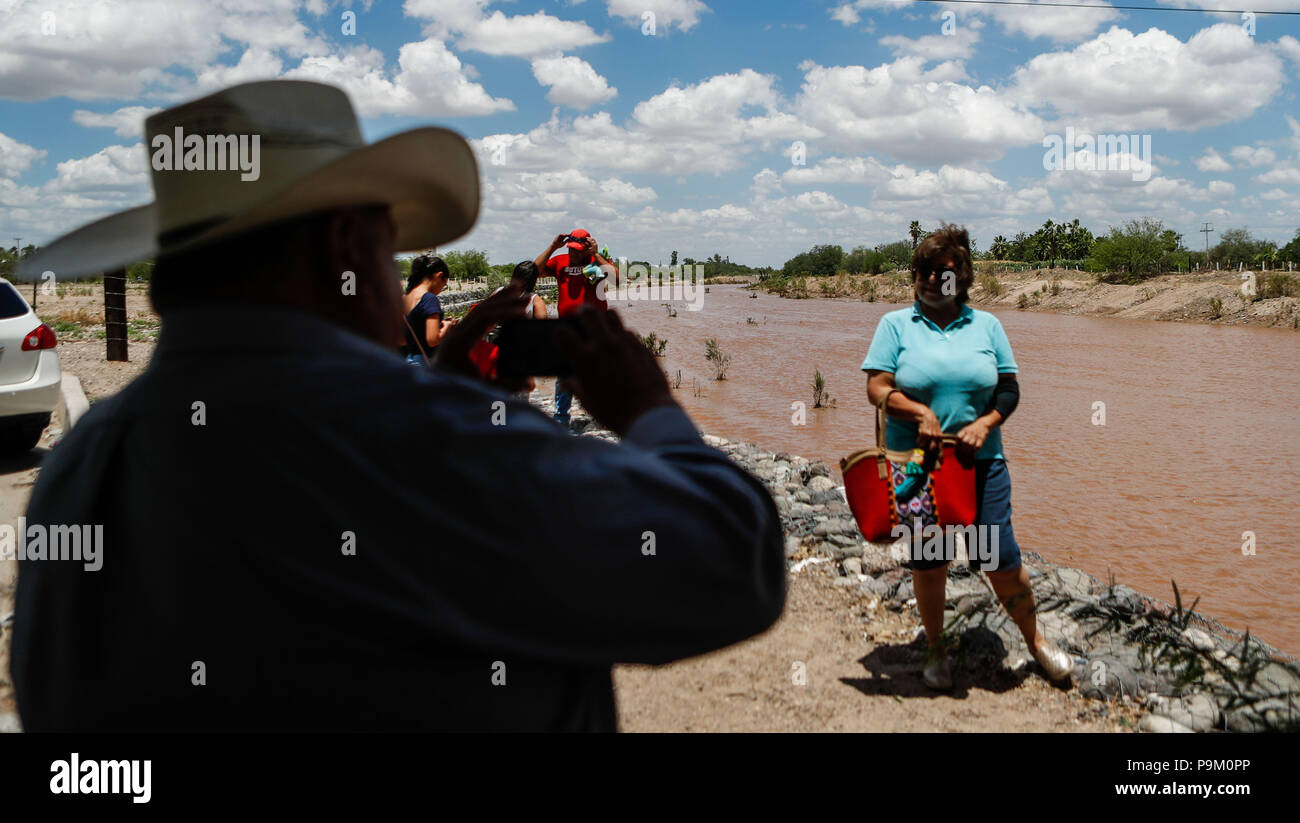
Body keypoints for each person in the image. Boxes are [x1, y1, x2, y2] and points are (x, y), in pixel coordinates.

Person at [11, 80, 785, 731]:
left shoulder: (80, 467)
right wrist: (647, 406)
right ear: (344, 245)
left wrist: (443, 397)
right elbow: (732, 558)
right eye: (388, 251)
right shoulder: (434, 449)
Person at [861, 223, 1072, 690]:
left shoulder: (987, 326)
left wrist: (985, 423)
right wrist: (917, 411)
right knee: (930, 558)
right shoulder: (895, 324)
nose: (936, 279)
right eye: (927, 270)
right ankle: (937, 650)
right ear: (915, 274)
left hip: (981, 464)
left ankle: (1035, 642)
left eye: (947, 272)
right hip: (919, 465)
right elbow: (876, 387)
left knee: (998, 556)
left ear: (964, 278)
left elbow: (1009, 389)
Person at [534, 228, 620, 426]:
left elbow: (616, 279)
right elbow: (534, 272)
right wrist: (552, 247)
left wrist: (596, 254)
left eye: (578, 250)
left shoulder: (596, 261)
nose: (574, 253)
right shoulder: (560, 261)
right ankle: (562, 417)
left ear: (587, 247)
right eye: (571, 249)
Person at [402, 253, 453, 365]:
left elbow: (401, 339)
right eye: (444, 284)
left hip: (408, 361)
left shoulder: (405, 298)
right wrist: (447, 327)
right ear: (439, 276)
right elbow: (432, 340)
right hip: (425, 363)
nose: (441, 289)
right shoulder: (430, 299)